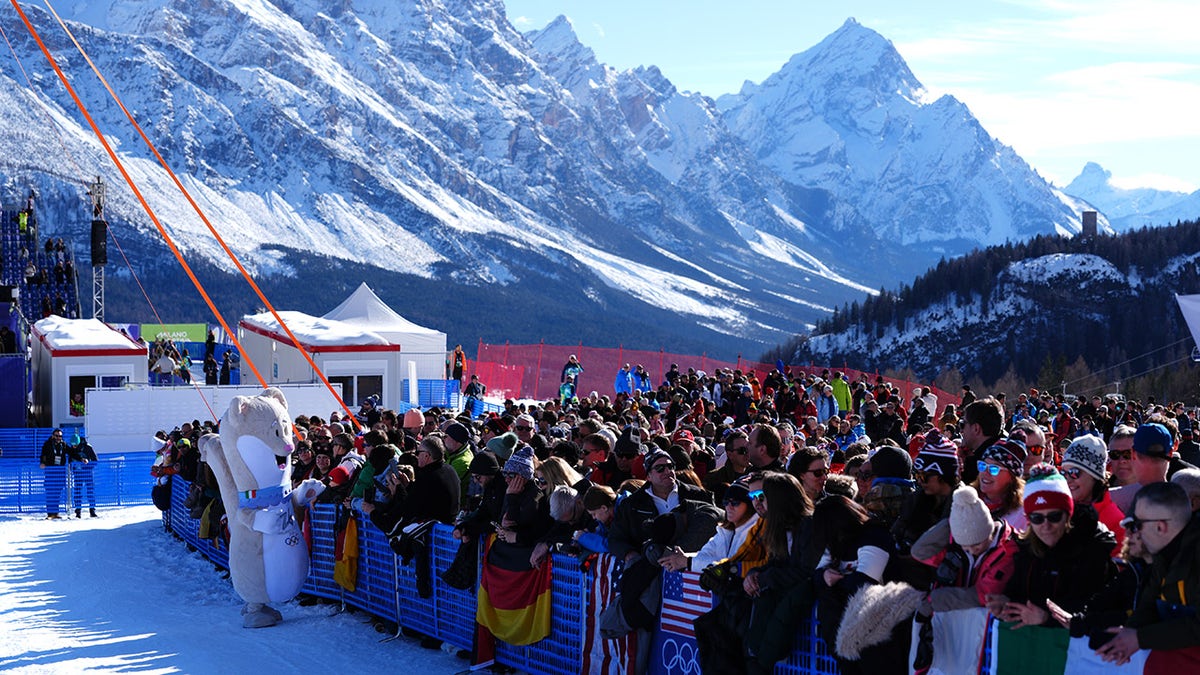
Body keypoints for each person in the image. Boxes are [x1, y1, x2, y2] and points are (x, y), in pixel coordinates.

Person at [988, 464, 1115, 630]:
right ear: (1028, 520)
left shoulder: (1092, 546)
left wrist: (1046, 618)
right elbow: (1020, 591)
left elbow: (1092, 607)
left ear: (1068, 515)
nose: (1046, 526)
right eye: (1037, 518)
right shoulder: (1025, 548)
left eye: (1054, 516)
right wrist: (1007, 603)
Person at [1097, 481, 1200, 666]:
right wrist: (1127, 635)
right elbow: (1149, 603)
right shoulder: (1165, 555)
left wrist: (1140, 638)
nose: (1133, 533)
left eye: (1137, 525)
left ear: (1161, 527)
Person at [1061, 435, 1125, 551]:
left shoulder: (1116, 522)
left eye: (1074, 472)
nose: (1068, 479)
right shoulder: (1059, 511)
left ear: (1094, 476)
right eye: (1063, 473)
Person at [973, 437, 1028, 530]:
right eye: (982, 465)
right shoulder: (969, 501)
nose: (985, 472)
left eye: (994, 469)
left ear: (1012, 477)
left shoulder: (1022, 514)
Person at [40, 428, 69, 519]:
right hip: (50, 472)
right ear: (53, 436)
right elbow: (43, 455)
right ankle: (50, 514)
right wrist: (42, 462)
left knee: (57, 493)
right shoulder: (47, 444)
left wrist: (81, 458)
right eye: (56, 436)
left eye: (60, 436)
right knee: (50, 493)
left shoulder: (63, 444)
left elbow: (72, 452)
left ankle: (55, 513)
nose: (58, 438)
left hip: (60, 473)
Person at [68, 433, 98, 518]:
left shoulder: (88, 447)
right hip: (78, 474)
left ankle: (92, 510)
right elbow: (70, 461)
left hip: (88, 473)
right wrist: (73, 469)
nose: (74, 447)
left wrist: (88, 465)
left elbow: (95, 460)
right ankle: (78, 512)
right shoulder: (72, 449)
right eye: (72, 445)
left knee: (90, 491)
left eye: (75, 445)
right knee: (77, 492)